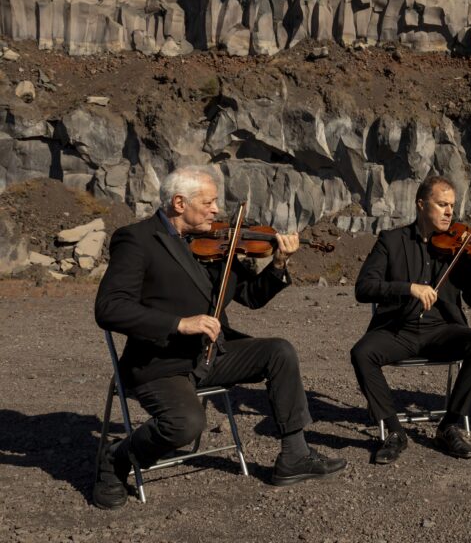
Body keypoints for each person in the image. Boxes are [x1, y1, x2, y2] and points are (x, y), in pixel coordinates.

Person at [93, 165, 346, 509]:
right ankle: (116, 459)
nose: (216, 210)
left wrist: (279, 265)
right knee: (186, 424)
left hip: (212, 353)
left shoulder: (214, 246)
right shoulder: (136, 239)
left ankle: (295, 455)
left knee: (279, 351)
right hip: (161, 361)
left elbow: (253, 297)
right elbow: (109, 308)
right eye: (209, 202)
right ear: (179, 203)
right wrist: (179, 323)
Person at [351, 175, 471, 464]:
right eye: (442, 204)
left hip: (442, 331)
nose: (449, 212)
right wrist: (408, 288)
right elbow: (364, 288)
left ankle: (450, 425)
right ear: (421, 205)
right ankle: (394, 431)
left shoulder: (460, 247)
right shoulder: (391, 241)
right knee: (361, 353)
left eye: (452, 206)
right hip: (398, 330)